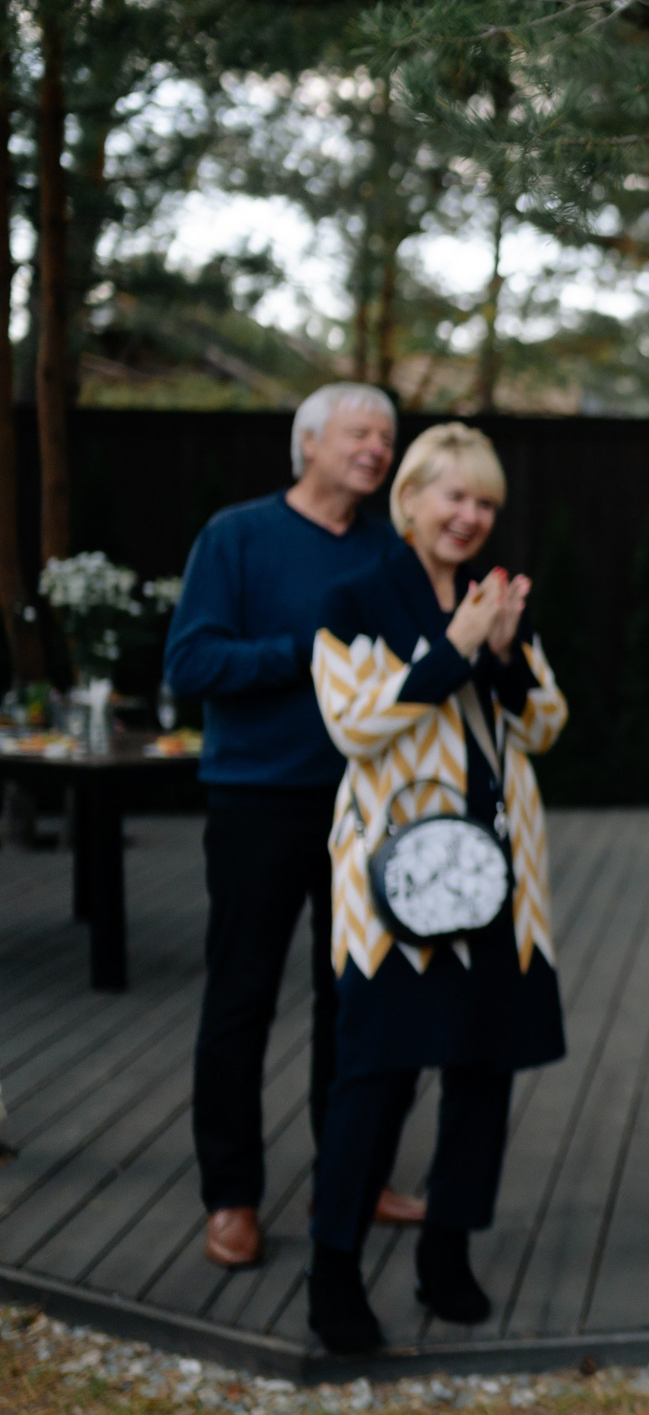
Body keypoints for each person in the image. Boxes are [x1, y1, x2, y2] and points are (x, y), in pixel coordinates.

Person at [304, 423, 571, 1355]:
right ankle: (332, 1269)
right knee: (374, 1080)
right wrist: (451, 651)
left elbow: (544, 724)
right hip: (395, 895)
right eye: (452, 495)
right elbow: (355, 724)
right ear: (409, 498)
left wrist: (499, 649)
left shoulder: (500, 600)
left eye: (485, 501)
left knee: (481, 1075)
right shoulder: (354, 597)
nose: (469, 516)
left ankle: (446, 1255)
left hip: (499, 882)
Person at [164, 382, 418, 1271]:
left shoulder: (393, 549)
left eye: (387, 436)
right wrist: (311, 649)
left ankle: (350, 1177)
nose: (379, 448)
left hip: (366, 807)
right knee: (242, 999)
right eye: (361, 431)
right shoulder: (237, 536)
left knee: (357, 1001)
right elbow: (191, 659)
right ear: (309, 441)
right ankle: (231, 1196)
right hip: (257, 800)